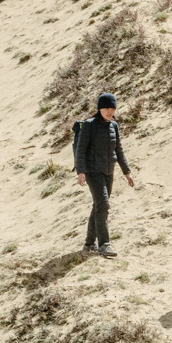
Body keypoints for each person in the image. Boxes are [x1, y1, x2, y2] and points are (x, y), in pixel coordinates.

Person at [73, 92, 136, 257]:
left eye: (112, 108)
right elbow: (80, 151)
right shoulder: (89, 125)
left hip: (109, 171)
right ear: (100, 108)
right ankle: (104, 244)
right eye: (106, 108)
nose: (109, 111)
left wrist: (127, 172)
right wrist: (81, 172)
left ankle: (88, 244)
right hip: (93, 172)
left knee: (98, 206)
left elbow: (119, 150)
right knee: (104, 204)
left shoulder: (114, 126)